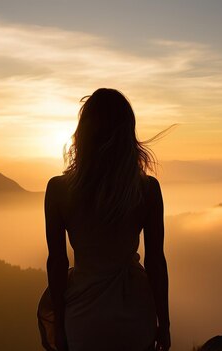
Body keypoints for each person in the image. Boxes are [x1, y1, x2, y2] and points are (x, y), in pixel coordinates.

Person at [37, 88, 171, 351]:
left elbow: (57, 262)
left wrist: (61, 327)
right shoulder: (147, 190)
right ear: (127, 134)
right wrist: (164, 325)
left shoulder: (58, 189)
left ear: (83, 133)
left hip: (84, 321)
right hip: (135, 317)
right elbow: (156, 261)